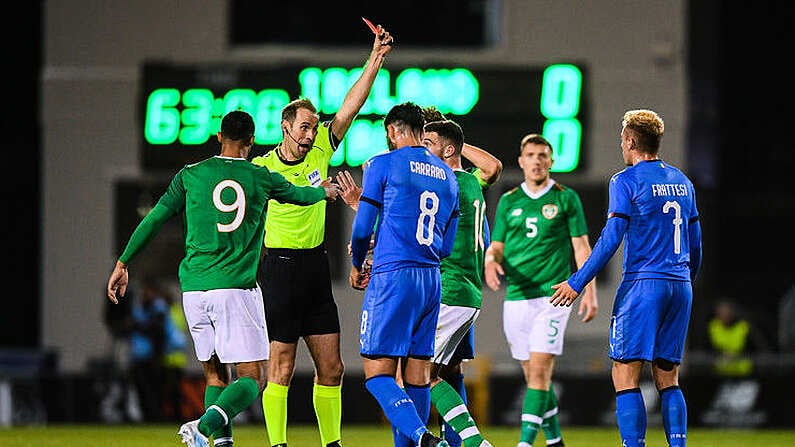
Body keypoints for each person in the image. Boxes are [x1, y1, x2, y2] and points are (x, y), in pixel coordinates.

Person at [106, 110, 339, 447]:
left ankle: (221, 443)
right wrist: (325, 192)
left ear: (219, 136)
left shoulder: (190, 175)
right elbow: (300, 195)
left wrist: (123, 262)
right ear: (251, 141)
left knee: (216, 374)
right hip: (234, 289)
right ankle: (203, 427)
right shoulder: (259, 175)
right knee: (253, 379)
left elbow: (154, 219)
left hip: (194, 292)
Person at [249, 21, 394, 447]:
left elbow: (351, 104)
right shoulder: (263, 169)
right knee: (281, 368)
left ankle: (332, 443)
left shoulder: (321, 149)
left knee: (332, 368)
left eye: (315, 127)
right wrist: (320, 192)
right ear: (285, 127)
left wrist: (376, 58)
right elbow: (284, 198)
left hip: (314, 267)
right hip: (276, 269)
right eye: (305, 127)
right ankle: (278, 444)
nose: (312, 134)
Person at [336, 117, 502, 447]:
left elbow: (412, 232)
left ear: (449, 149)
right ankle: (455, 442)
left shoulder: (442, 180)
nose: (423, 149)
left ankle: (470, 442)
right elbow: (493, 167)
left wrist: (364, 214)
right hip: (459, 289)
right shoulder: (464, 183)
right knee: (449, 372)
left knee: (415, 375)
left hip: (445, 285)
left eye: (430, 143)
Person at [550, 109, 702, 447]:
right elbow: (697, 244)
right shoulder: (683, 182)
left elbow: (611, 238)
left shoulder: (626, 181)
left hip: (643, 285)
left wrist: (577, 282)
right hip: (680, 284)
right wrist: (684, 281)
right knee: (668, 377)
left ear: (631, 141)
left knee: (625, 372)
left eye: (622, 140)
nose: (622, 145)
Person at [348, 101, 459, 447]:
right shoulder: (449, 177)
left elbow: (362, 228)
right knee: (417, 375)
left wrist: (357, 265)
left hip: (393, 277)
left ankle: (422, 437)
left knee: (377, 373)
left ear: (394, 130)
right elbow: (446, 248)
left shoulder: (382, 164)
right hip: (431, 280)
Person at [483, 133, 598, 447]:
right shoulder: (509, 201)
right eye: (531, 155)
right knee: (534, 377)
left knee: (539, 372)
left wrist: (588, 290)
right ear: (521, 162)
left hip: (554, 298)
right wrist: (490, 261)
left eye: (542, 155)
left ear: (551, 161)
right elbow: (496, 247)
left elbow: (582, 248)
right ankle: (555, 440)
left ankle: (524, 443)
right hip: (517, 298)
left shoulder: (565, 198)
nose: (536, 160)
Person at [706, 298, 768, 377]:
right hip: (720, 374)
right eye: (720, 313)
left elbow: (759, 348)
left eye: (725, 312)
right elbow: (706, 350)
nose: (723, 315)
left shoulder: (743, 326)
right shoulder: (713, 326)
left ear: (732, 312)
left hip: (743, 374)